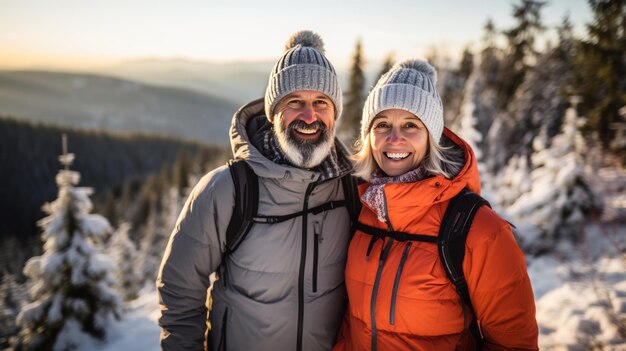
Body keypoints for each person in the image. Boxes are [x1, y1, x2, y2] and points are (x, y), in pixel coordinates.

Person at [157, 30, 354, 351]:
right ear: (272, 112)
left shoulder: (351, 188)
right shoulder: (228, 189)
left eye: (321, 103)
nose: (309, 116)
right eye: (294, 102)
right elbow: (180, 289)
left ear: (335, 114)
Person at [333, 59, 539, 350]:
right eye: (382, 124)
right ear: (369, 137)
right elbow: (350, 323)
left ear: (432, 137)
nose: (394, 138)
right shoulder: (362, 210)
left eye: (410, 125)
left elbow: (514, 344)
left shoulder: (479, 230)